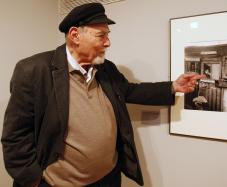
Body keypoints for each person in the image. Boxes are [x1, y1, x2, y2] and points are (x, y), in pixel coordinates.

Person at [1, 3, 204, 187]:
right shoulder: (34, 71)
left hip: (108, 179)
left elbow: (130, 91)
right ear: (75, 35)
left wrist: (173, 86)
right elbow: (15, 136)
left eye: (108, 35)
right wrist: (33, 180)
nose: (108, 43)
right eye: (101, 36)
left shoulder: (106, 69)